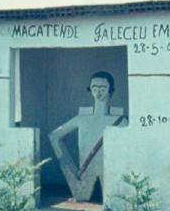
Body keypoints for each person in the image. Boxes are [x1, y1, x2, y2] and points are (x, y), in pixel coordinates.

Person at [48, 71, 126, 202]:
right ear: (90, 90)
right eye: (94, 88)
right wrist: (69, 169)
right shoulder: (82, 119)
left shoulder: (121, 121)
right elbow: (54, 136)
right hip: (85, 174)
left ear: (110, 90)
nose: (98, 92)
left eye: (103, 88)